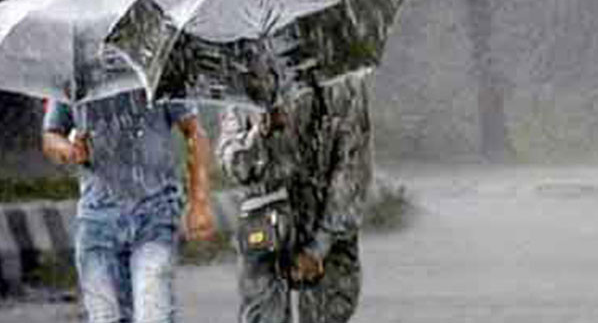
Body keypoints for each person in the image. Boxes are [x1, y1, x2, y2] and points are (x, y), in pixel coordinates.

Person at [42, 91, 216, 323]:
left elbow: (194, 132)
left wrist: (200, 202)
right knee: (105, 317)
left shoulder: (155, 73)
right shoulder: (74, 80)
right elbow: (51, 136)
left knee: (153, 313)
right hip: (97, 222)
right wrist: (68, 150)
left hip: (154, 215)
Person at [218, 68, 373, 323]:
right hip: (265, 227)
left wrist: (319, 246)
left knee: (329, 310)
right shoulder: (243, 82)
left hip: (327, 226)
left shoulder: (342, 80)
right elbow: (234, 165)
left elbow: (353, 169)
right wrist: (260, 134)